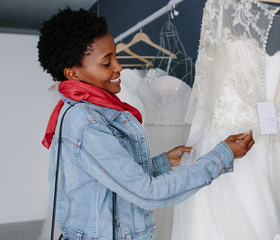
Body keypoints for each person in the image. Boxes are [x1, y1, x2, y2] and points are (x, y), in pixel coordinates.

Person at [37, 8, 254, 240]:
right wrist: (220, 158)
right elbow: (146, 193)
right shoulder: (87, 122)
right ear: (72, 73)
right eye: (106, 63)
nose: (118, 67)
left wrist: (162, 163)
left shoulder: (87, 110)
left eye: (115, 57)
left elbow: (113, 181)